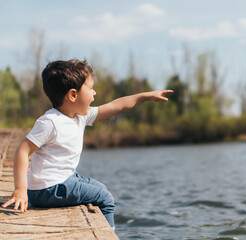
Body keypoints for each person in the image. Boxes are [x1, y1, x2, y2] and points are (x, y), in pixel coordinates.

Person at [1, 59, 173, 230]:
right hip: (48, 189)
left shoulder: (80, 116)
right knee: (105, 198)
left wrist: (144, 96)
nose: (95, 93)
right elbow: (23, 151)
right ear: (73, 95)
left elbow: (116, 106)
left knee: (100, 187)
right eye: (91, 88)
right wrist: (20, 189)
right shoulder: (50, 122)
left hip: (63, 180)